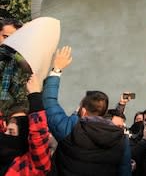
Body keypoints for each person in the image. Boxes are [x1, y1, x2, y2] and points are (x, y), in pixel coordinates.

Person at [42, 46, 131, 175]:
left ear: (83, 111)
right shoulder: (121, 139)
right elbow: (125, 171)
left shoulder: (70, 128)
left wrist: (57, 69)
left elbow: (49, 102)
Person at [0, 73, 51, 175]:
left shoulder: (28, 169)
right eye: (6, 130)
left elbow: (38, 138)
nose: (4, 132)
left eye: (10, 131)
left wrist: (35, 95)